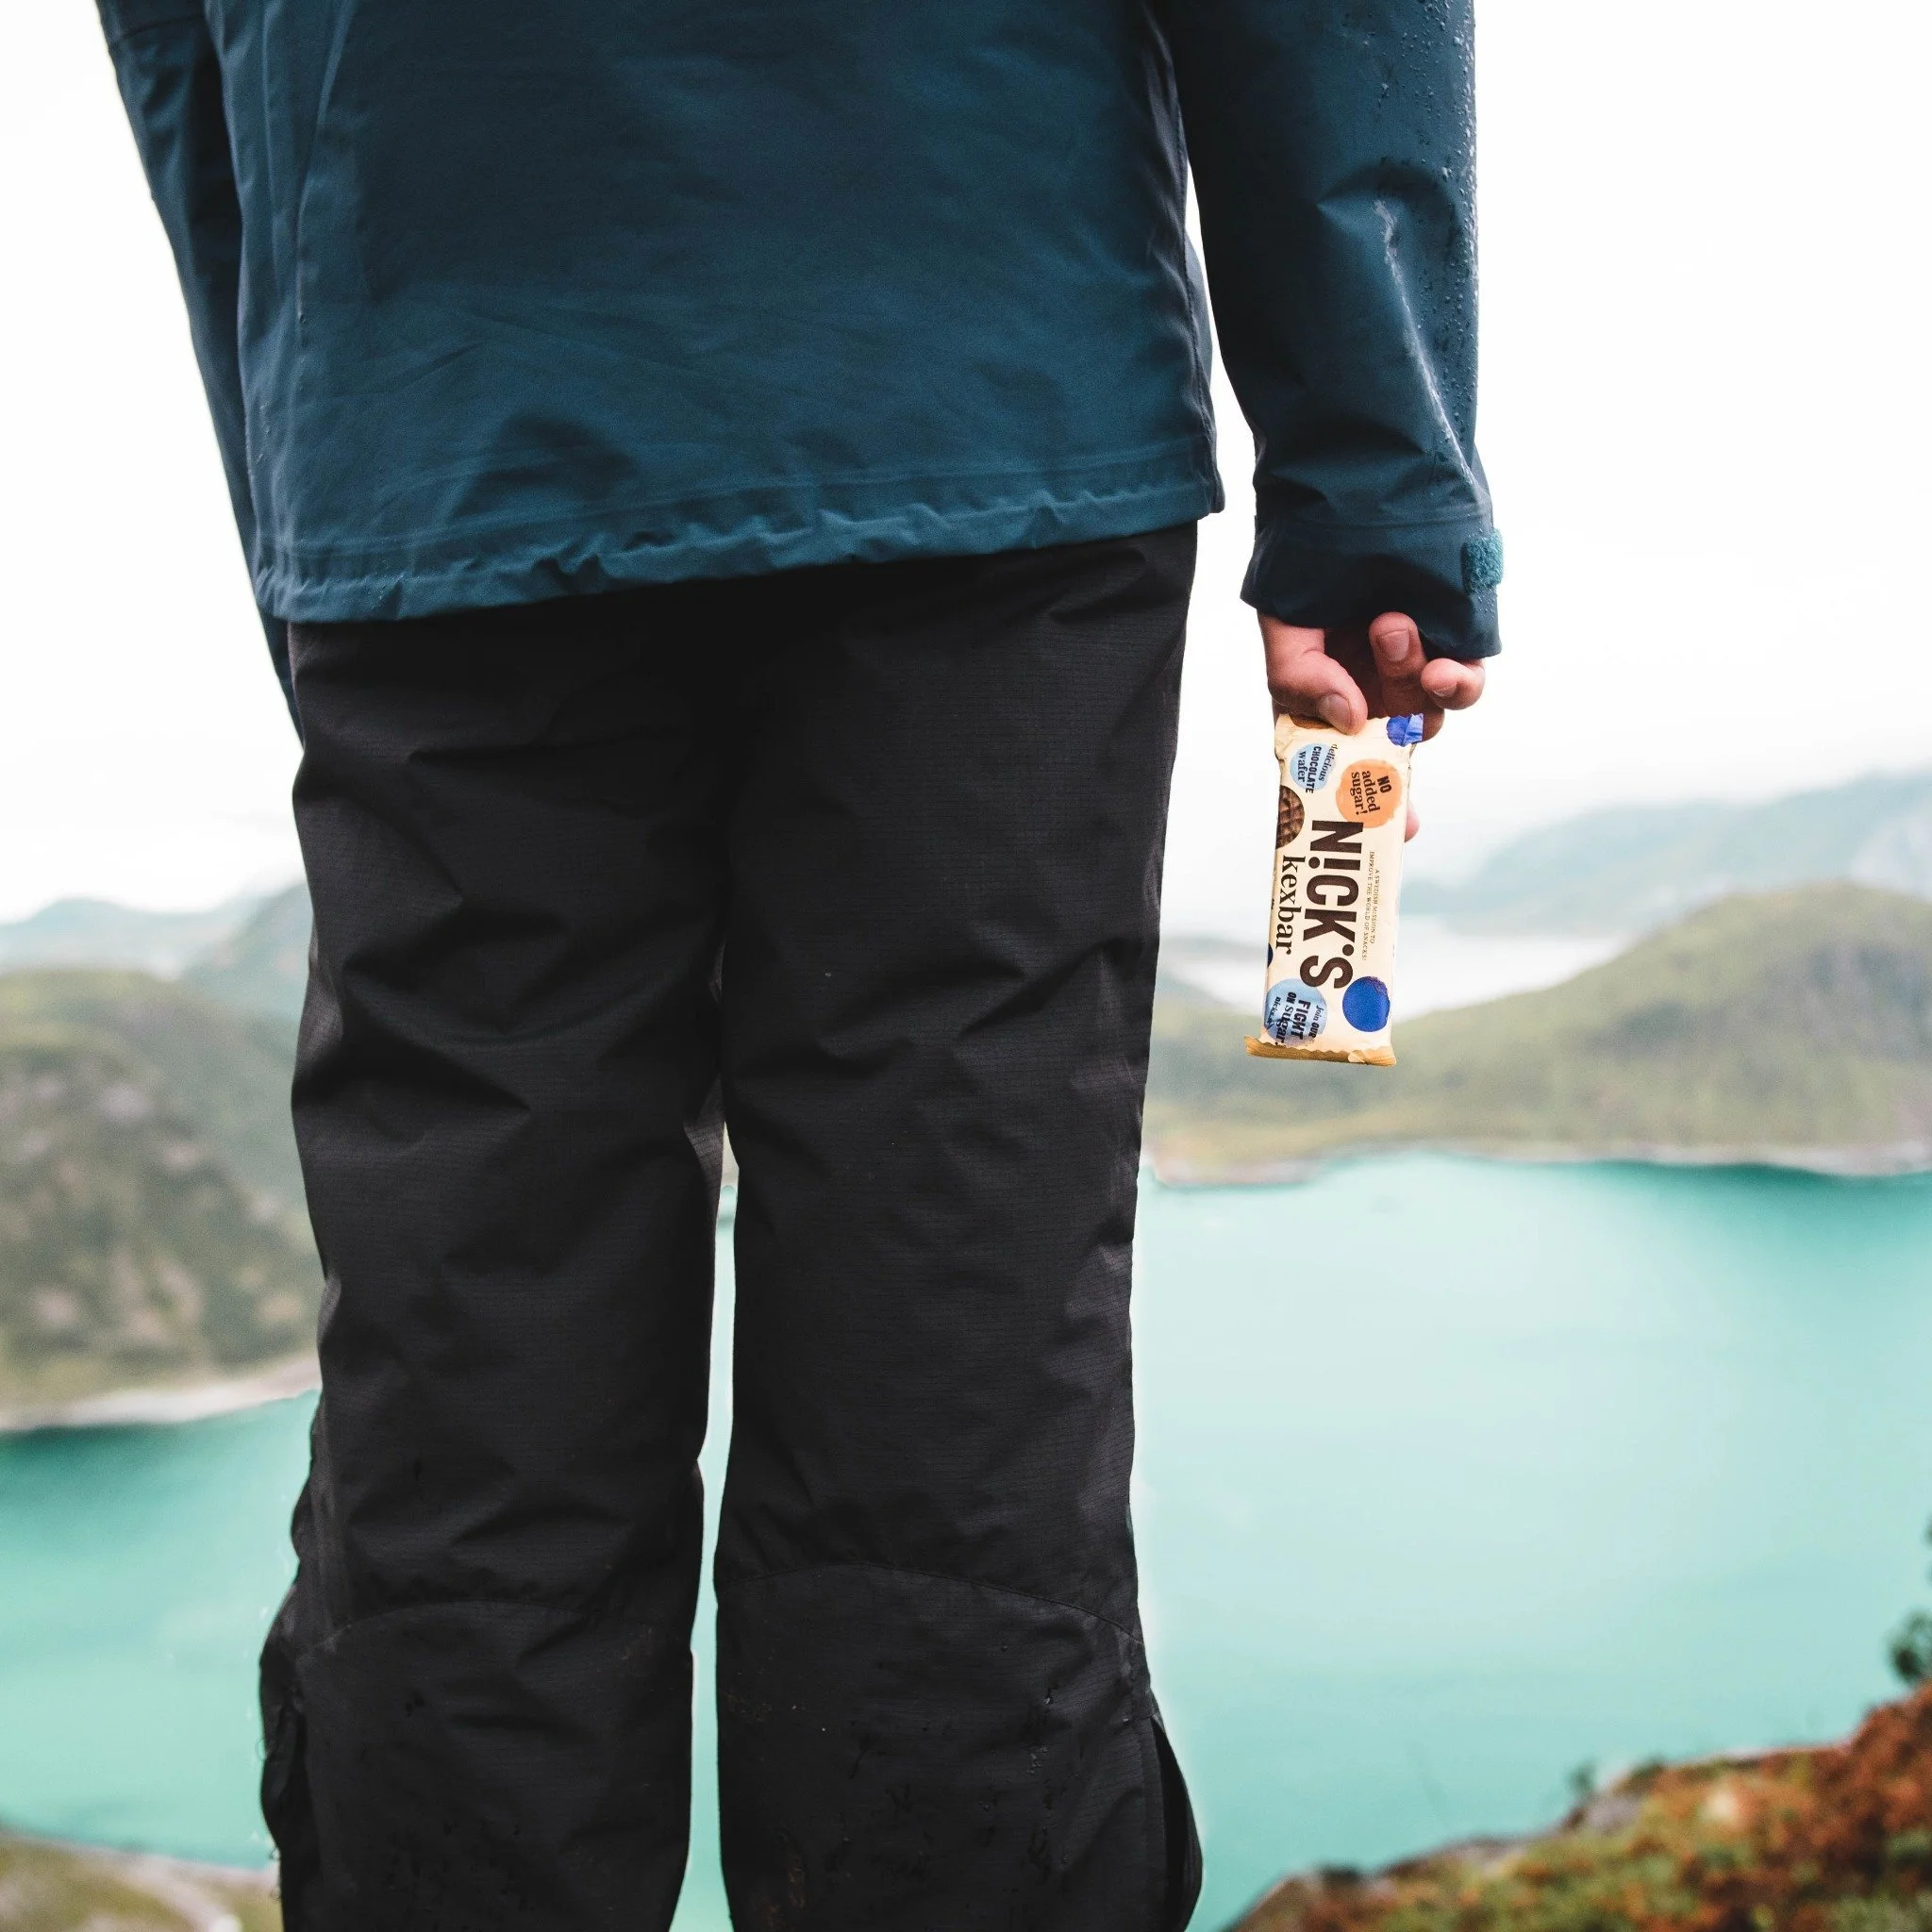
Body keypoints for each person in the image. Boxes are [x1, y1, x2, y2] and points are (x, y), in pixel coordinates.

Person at [93, 0, 1497, 1924]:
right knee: (956, 1383)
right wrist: (1370, 477)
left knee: (465, 1419)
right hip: (976, 360)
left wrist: (314, 475)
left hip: (440, 377)